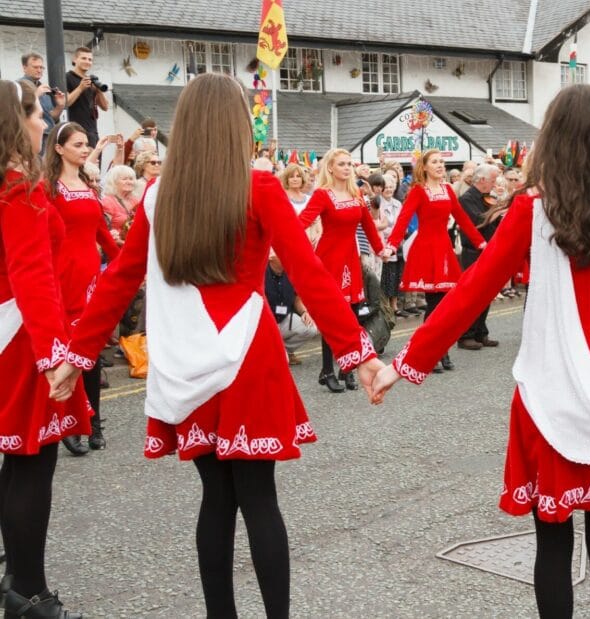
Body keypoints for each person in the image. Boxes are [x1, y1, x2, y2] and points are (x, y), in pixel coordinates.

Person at [373, 85, 590, 616]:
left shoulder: (530, 213)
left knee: (552, 542)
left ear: (552, 142)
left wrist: (405, 362)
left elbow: (473, 290)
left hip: (549, 391)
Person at [50, 73, 385, 619]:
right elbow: (309, 274)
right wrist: (359, 352)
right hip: (248, 356)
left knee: (216, 499)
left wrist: (78, 353)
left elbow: (120, 280)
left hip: (186, 361)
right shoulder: (260, 188)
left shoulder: (160, 196)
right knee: (259, 499)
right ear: (235, 128)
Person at [0, 78, 87, 619]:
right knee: (30, 463)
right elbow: (34, 275)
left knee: (15, 463)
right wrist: (55, 352)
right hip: (25, 338)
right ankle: (28, 592)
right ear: (14, 120)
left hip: (10, 333)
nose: (44, 121)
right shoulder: (19, 187)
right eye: (36, 112)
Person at [44, 121, 121, 453]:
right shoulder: (50, 188)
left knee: (89, 351)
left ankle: (94, 422)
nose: (85, 149)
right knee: (68, 351)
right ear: (59, 149)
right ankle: (68, 420)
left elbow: (102, 234)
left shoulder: (89, 187)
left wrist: (126, 265)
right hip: (63, 278)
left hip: (92, 277)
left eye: (86, 144)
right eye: (77, 144)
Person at [382, 149, 486, 373]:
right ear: (425, 167)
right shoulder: (419, 191)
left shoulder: (448, 190)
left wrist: (481, 243)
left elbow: (462, 220)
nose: (440, 165)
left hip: (444, 251)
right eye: (435, 162)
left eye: (442, 162)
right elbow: (403, 219)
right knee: (434, 305)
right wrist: (391, 244)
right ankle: (431, 353)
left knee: (445, 306)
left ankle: (440, 351)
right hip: (426, 251)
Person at [299, 148, 384, 392]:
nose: (347, 168)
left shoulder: (356, 193)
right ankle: (327, 370)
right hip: (329, 259)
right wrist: (280, 237)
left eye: (349, 164)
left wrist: (380, 249)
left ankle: (347, 369)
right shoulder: (322, 195)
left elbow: (367, 224)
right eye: (342, 164)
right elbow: (303, 220)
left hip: (350, 258)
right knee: (332, 317)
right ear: (331, 168)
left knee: (352, 316)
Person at [456, 163, 501, 351]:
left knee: (485, 295)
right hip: (472, 251)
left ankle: (481, 332)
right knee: (472, 296)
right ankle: (466, 335)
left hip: (487, 250)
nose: (494, 184)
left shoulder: (486, 197)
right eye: (492, 180)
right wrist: (497, 211)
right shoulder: (467, 198)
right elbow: (478, 220)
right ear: (482, 180)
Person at [264, 252, 319, 365]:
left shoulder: (291, 272)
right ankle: (273, 351)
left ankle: (286, 350)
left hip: (284, 318)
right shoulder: (261, 273)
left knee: (311, 328)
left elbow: (296, 298)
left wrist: (304, 312)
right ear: (271, 258)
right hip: (265, 323)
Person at [64, 47, 108, 148]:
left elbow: (105, 107)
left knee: (94, 163)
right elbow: (65, 103)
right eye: (83, 58)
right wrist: (80, 88)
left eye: (90, 59)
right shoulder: (67, 77)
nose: (87, 62)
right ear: (74, 59)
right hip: (75, 132)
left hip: (93, 132)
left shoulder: (91, 80)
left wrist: (98, 90)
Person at [378, 173, 406, 317]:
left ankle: (394, 304)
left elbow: (402, 221)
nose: (388, 189)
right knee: (386, 275)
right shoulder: (378, 203)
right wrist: (391, 232)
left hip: (397, 243)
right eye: (386, 187)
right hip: (384, 243)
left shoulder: (398, 203)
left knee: (396, 275)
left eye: (391, 187)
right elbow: (379, 225)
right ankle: (385, 306)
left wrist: (399, 233)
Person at [18, 52, 65, 138]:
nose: (39, 70)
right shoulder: (18, 86)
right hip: (30, 135)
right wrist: (36, 95)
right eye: (35, 67)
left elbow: (50, 118)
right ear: (24, 68)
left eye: (41, 67)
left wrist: (60, 106)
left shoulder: (43, 87)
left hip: (48, 135)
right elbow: (17, 113)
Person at [101, 164, 140, 244]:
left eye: (131, 179)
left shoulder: (135, 201)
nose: (129, 182)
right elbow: (104, 231)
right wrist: (124, 244)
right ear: (114, 182)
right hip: (117, 248)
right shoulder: (108, 201)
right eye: (124, 179)